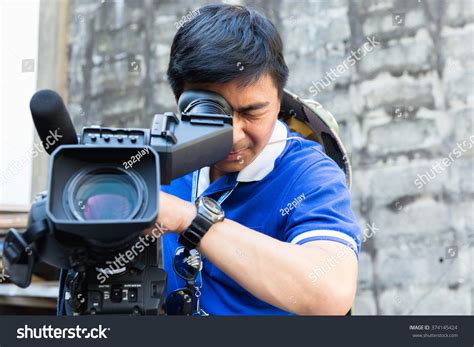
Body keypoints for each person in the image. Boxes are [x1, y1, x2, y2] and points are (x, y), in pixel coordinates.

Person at [152, 3, 361, 315]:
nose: (235, 135)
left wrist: (190, 219)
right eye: (214, 114)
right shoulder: (154, 163)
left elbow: (330, 292)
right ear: (181, 102)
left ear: (279, 99)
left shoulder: (308, 174)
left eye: (252, 112)